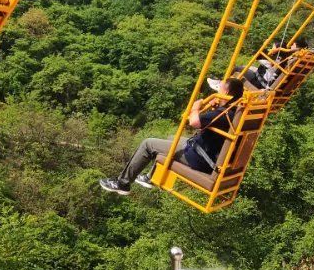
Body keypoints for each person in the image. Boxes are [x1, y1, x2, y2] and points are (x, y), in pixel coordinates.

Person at [99, 77, 245, 196]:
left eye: (220, 88)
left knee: (148, 144)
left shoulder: (223, 115)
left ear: (226, 93)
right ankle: (150, 177)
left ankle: (122, 183)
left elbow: (194, 122)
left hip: (198, 157)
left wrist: (195, 108)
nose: (217, 89)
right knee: (171, 137)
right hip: (206, 152)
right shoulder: (233, 111)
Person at [208, 37, 309, 92]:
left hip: (260, 83)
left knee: (237, 68)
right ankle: (224, 83)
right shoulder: (287, 57)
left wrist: (266, 49)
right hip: (266, 77)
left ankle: (221, 85)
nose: (291, 46)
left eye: (293, 45)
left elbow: (259, 56)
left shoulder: (277, 57)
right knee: (246, 67)